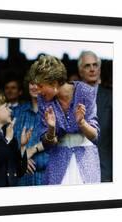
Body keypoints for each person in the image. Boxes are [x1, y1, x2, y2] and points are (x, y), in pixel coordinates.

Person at [29, 55, 101, 185]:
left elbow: (95, 136)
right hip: (58, 161)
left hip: (86, 158)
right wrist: (51, 129)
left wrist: (82, 123)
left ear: (54, 82)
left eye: (40, 85)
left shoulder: (86, 92)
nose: (38, 91)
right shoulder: (43, 100)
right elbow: (47, 144)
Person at [78, 51, 113, 182]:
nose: (92, 69)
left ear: (99, 69)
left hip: (105, 169)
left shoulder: (112, 97)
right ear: (80, 71)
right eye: (87, 66)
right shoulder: (70, 98)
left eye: (95, 65)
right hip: (77, 169)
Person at [12, 72, 48, 186]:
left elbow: (58, 140)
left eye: (39, 83)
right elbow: (7, 143)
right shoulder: (16, 112)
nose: (35, 87)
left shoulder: (53, 111)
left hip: (47, 177)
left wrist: (32, 150)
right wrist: (21, 159)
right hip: (21, 179)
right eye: (32, 83)